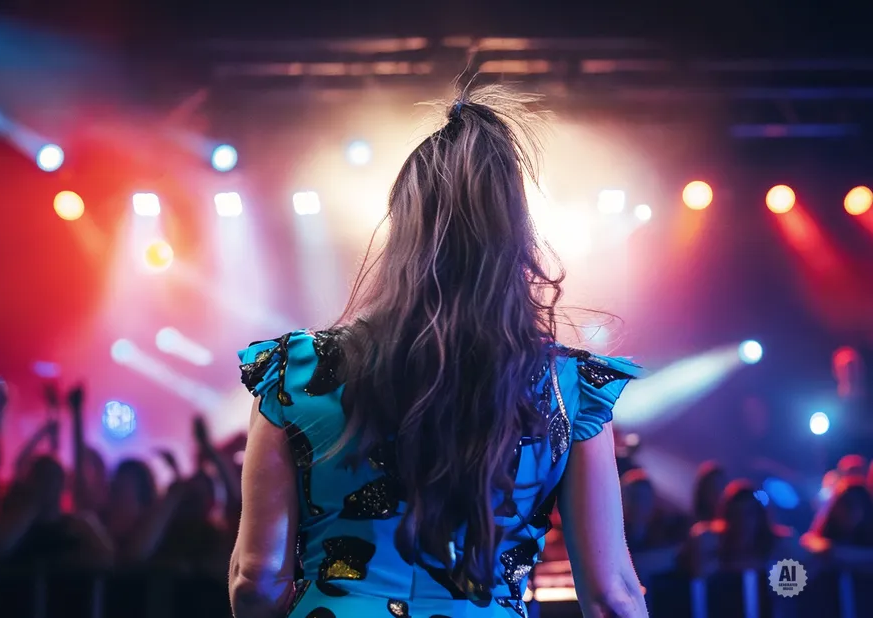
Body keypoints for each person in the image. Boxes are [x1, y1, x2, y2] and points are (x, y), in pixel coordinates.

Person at [228, 86, 648, 618]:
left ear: (400, 229)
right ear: (514, 237)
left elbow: (256, 579)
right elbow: (612, 594)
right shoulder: (567, 389)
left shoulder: (296, 373)